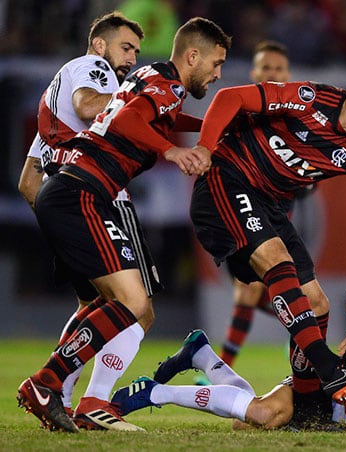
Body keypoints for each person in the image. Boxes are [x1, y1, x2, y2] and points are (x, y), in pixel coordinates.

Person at [16, 17, 231, 433]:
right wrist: (170, 152)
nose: (218, 73)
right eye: (216, 63)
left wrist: (214, 127)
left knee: (104, 305)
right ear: (193, 56)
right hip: (84, 193)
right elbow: (126, 120)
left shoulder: (151, 78)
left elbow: (148, 115)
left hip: (68, 191)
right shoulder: (133, 79)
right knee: (134, 305)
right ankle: (51, 385)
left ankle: (56, 390)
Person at [187, 62, 346, 403]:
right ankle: (326, 365)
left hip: (271, 204)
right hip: (227, 178)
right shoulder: (309, 100)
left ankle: (309, 402)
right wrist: (205, 147)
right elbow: (228, 97)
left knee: (317, 302)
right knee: (277, 259)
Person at [17, 12, 157, 431]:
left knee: (94, 307)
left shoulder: (52, 105)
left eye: (135, 50)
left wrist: (59, 228)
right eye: (125, 47)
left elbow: (28, 182)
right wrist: (139, 107)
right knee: (137, 308)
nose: (131, 58)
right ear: (99, 45)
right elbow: (89, 104)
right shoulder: (93, 71)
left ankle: (56, 393)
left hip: (65, 205)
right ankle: (87, 399)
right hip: (102, 201)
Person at [111, 294, 346, 431]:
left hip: (339, 423)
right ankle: (156, 393)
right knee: (262, 415)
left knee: (252, 420)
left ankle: (202, 355)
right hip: (330, 385)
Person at [219, 40, 291, 368]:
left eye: (278, 68)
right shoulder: (240, 110)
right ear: (254, 73)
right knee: (249, 291)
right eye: (266, 68)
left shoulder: (295, 117)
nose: (272, 74)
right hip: (239, 210)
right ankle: (308, 333)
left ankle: (308, 330)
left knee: (254, 293)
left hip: (275, 215)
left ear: (287, 74)